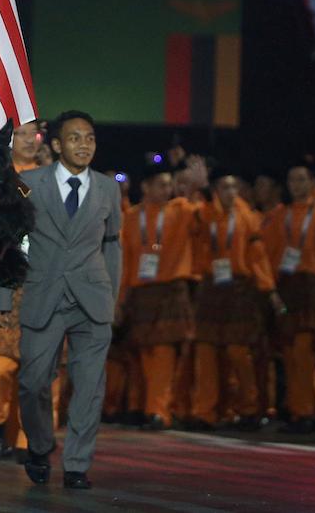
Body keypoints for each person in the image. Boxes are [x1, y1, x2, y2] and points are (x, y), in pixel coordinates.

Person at [0, 110, 121, 491]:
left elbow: (113, 244)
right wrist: (2, 297)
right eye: (75, 138)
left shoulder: (107, 188)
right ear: (55, 144)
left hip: (92, 300)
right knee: (33, 382)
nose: (84, 145)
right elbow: (9, 241)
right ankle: (39, 445)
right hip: (44, 294)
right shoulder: (30, 182)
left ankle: (77, 465)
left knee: (88, 386)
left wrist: (112, 298)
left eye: (90, 138)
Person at [189, 170, 281, 430]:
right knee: (206, 352)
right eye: (224, 187)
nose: (230, 192)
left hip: (239, 289)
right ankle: (205, 412)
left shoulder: (248, 217)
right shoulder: (207, 213)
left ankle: (248, 409)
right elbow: (199, 222)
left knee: (238, 352)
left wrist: (268, 288)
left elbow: (258, 257)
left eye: (234, 187)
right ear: (216, 190)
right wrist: (202, 189)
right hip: (211, 287)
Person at [118, 161, 204, 430]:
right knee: (143, 353)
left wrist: (199, 187)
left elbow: (208, 216)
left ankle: (159, 410)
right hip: (141, 291)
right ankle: (146, 406)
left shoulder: (181, 210)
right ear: (145, 187)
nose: (167, 189)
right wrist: (120, 300)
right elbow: (125, 261)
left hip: (169, 289)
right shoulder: (131, 217)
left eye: (169, 184)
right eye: (161, 184)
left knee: (165, 352)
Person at [0, 120, 43, 462]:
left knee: (39, 369)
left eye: (36, 134)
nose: (31, 140)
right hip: (4, 280)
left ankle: (28, 439)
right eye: (23, 134)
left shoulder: (49, 178)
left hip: (42, 285)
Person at [261, 163, 315, 432]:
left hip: (312, 289)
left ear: (311, 182)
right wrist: (271, 290)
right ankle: (304, 410)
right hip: (287, 290)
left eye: (301, 179)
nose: (296, 185)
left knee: (305, 353)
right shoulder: (280, 215)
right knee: (291, 354)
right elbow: (269, 255)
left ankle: (305, 413)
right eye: (291, 179)